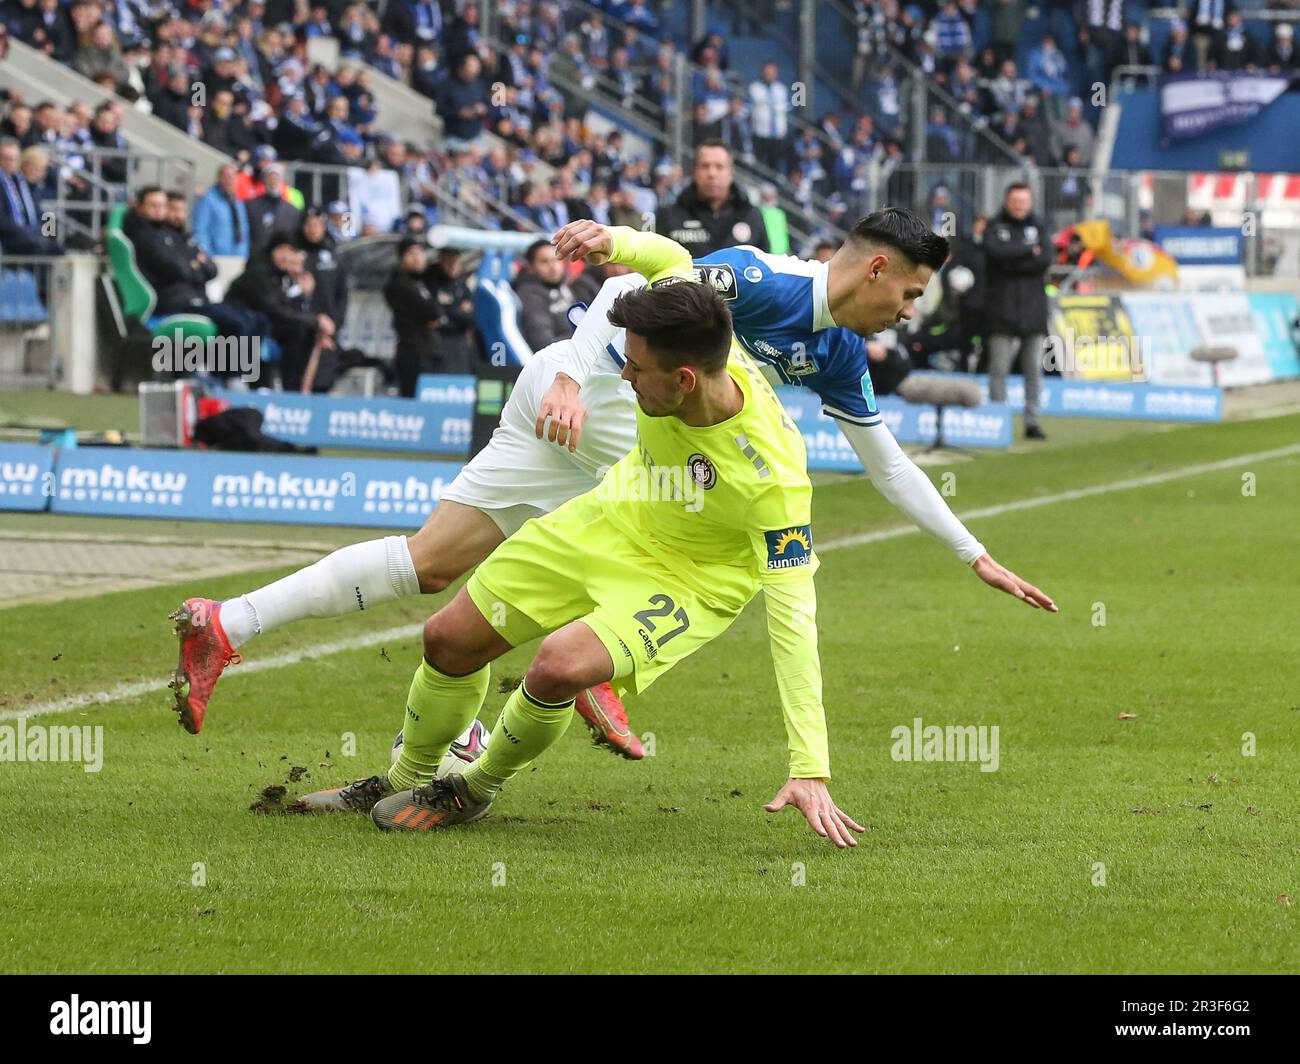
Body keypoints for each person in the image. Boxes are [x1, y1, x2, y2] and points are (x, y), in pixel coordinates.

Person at [168, 216, 1056, 759]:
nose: (914, 310)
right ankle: (572, 682)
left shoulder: (836, 355)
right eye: (911, 292)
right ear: (875, 269)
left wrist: (973, 553)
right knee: (660, 530)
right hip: (590, 397)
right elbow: (640, 280)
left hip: (586, 418)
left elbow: (890, 464)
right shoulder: (755, 277)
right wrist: (574, 372)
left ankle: (227, 625)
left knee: (430, 564)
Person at [320, 276, 867, 844]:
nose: (624, 375)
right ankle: (401, 779)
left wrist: (810, 765)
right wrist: (616, 235)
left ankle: (471, 790)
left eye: (634, 367)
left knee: (558, 665)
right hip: (608, 521)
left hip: (692, 580)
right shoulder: (695, 350)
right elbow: (661, 258)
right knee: (448, 638)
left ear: (683, 380)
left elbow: (795, 622)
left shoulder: (772, 483)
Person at [120, 186, 257, 339]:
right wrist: (193, 267)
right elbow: (178, 269)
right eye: (153, 205)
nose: (159, 210)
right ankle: (225, 363)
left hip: (192, 297)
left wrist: (191, 267)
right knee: (237, 324)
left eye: (162, 205)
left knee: (254, 320)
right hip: (174, 303)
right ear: (140, 208)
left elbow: (211, 269)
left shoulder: (171, 234)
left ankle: (231, 363)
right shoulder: (144, 237)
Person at [983, 183, 1054, 440]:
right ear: (1006, 200)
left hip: (1033, 311)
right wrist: (1026, 251)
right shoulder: (996, 226)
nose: (1019, 205)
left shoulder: (1040, 227)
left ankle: (1032, 421)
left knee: (1034, 369)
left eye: (1023, 201)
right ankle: (997, 420)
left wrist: (1014, 259)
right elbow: (995, 254)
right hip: (1001, 310)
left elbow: (1045, 258)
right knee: (999, 368)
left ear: (1030, 202)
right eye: (1015, 200)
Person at [225, 232, 334, 391]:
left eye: (289, 251)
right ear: (271, 251)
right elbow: (274, 309)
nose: (285, 256)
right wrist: (315, 320)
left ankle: (299, 390)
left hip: (267, 325)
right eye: (280, 250)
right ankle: (284, 389)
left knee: (307, 332)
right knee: (297, 330)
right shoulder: (259, 273)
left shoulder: (283, 277)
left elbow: (290, 311)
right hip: (246, 325)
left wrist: (305, 296)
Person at [655, 140, 769, 255]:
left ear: (730, 172)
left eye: (719, 167)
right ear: (695, 171)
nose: (712, 173)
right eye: (705, 166)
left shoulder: (751, 216)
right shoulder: (669, 216)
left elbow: (766, 267)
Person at [382, 237, 444, 396]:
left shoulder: (422, 282)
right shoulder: (399, 284)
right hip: (412, 354)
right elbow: (433, 311)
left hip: (428, 352)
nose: (417, 258)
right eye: (411, 253)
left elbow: (437, 312)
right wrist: (435, 314)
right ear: (402, 258)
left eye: (420, 253)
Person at [514, 238, 578, 352]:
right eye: (544, 262)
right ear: (531, 267)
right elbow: (544, 344)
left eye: (557, 260)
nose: (553, 267)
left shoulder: (562, 286)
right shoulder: (530, 296)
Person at [424, 246, 478, 374]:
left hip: (460, 346)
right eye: (449, 262)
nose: (453, 266)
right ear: (441, 261)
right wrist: (457, 310)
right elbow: (435, 313)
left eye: (456, 262)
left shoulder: (461, 285)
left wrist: (450, 310)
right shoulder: (432, 281)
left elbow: (471, 317)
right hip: (438, 346)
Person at [192, 163, 251, 259]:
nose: (230, 180)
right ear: (219, 178)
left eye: (233, 177)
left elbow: (244, 231)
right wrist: (208, 255)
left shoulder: (238, 203)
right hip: (215, 258)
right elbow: (200, 231)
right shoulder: (207, 200)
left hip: (238, 258)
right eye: (226, 176)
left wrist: (244, 255)